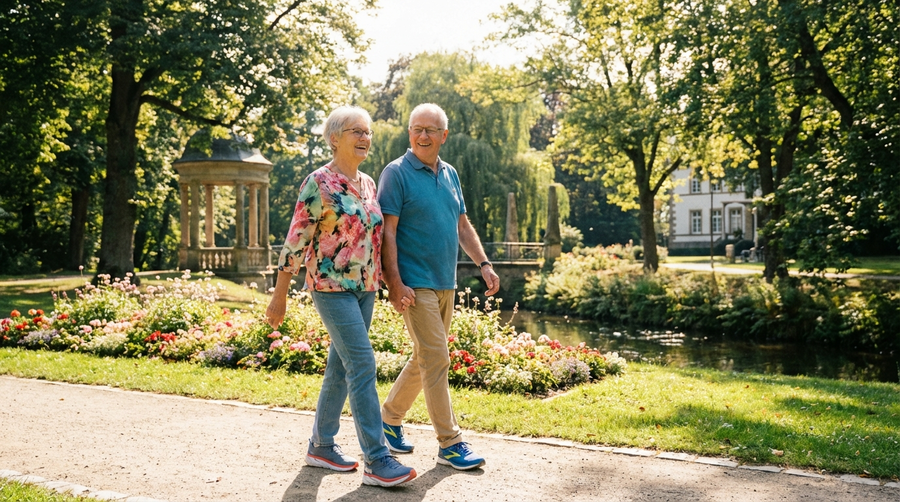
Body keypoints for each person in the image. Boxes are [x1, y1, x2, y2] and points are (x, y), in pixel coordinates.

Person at [265, 106, 416, 488]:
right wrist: (279, 295)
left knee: (340, 366)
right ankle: (378, 459)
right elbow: (296, 241)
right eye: (356, 132)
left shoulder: (367, 184)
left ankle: (321, 445)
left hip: (365, 288)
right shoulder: (318, 182)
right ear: (335, 138)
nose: (365, 138)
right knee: (363, 363)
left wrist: (393, 284)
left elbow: (377, 238)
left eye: (368, 132)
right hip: (330, 288)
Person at [376, 103, 501, 470]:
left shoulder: (450, 174)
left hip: (445, 281)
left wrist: (484, 263)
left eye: (431, 130)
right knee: (437, 358)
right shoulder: (395, 173)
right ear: (409, 133)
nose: (423, 136)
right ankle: (450, 443)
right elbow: (388, 233)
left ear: (444, 136)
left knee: (425, 357)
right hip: (414, 285)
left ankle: (390, 417)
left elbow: (462, 224)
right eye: (417, 129)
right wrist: (394, 282)